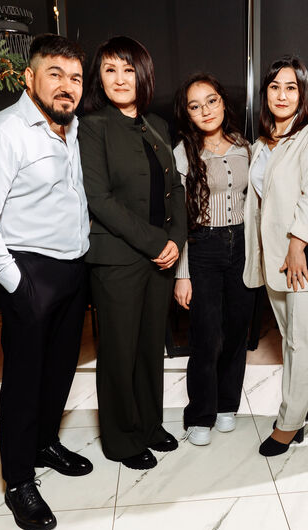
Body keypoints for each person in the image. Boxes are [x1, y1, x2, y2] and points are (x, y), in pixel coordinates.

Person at [0, 34, 92, 530]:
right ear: (28, 77)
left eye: (75, 77)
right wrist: (17, 282)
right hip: (29, 272)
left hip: (73, 267)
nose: (66, 85)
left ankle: (45, 444)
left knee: (59, 370)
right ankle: (18, 481)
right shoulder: (1, 133)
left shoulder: (71, 128)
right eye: (54, 74)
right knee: (22, 381)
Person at [78, 36, 186, 470]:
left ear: (143, 75)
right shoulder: (92, 126)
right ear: (99, 78)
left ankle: (149, 425)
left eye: (128, 69)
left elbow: (175, 187)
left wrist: (176, 238)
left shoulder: (157, 124)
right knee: (120, 352)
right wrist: (155, 242)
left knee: (149, 347)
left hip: (161, 258)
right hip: (117, 259)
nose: (120, 79)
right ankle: (122, 440)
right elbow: (99, 199)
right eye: (110, 70)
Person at [243, 56, 308, 457]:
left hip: (305, 257)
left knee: (300, 342)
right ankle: (303, 405)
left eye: (291, 87)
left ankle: (288, 424)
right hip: (276, 260)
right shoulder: (262, 144)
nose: (282, 95)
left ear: (302, 94)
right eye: (275, 87)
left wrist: (297, 245)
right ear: (265, 93)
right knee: (290, 339)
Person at [172, 73, 254, 446]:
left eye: (211, 101)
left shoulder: (244, 147)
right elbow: (179, 218)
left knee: (237, 331)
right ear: (187, 114)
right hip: (202, 246)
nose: (205, 110)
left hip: (242, 245)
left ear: (222, 102)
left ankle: (227, 406)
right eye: (195, 106)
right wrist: (182, 273)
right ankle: (200, 414)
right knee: (206, 336)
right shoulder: (183, 153)